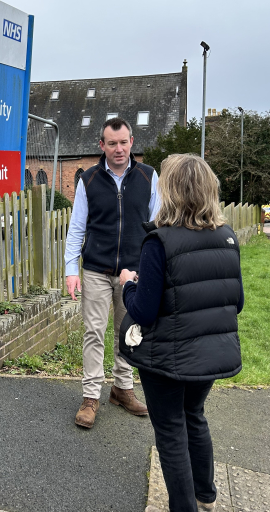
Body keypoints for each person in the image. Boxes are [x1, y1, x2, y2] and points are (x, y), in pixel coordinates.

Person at [118, 154, 243, 512]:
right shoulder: (227, 237)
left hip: (167, 359)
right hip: (211, 351)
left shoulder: (160, 241)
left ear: (170, 190)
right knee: (195, 416)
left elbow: (143, 311)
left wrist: (129, 284)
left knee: (171, 430)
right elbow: (237, 301)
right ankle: (206, 495)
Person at [64, 116, 161, 429]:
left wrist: (151, 267)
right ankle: (91, 397)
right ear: (101, 145)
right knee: (94, 331)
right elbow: (77, 226)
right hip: (95, 270)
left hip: (133, 272)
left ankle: (122, 388)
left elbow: (156, 226)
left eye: (123, 142)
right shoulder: (89, 179)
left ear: (132, 142)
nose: (118, 149)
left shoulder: (148, 176)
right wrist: (71, 269)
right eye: (112, 143)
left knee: (127, 333)